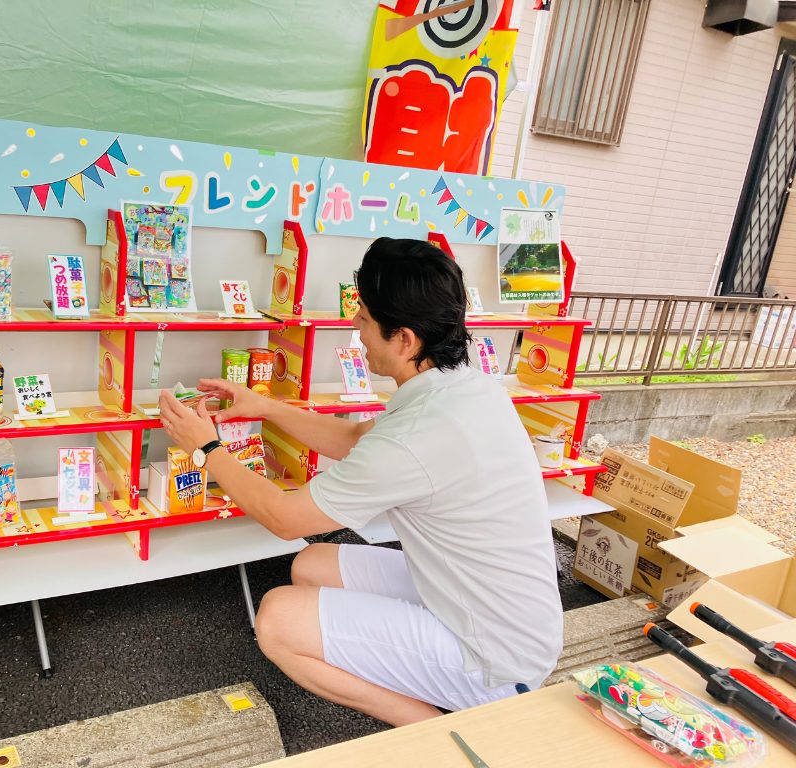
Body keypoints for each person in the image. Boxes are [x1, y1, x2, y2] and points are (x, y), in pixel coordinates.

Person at [158, 237, 563, 727]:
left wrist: (205, 448)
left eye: (365, 318)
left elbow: (284, 519)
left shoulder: (421, 432)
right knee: (312, 563)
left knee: (278, 620)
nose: (355, 326)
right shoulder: (464, 385)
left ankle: (430, 729)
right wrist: (264, 407)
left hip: (492, 660)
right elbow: (354, 438)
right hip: (498, 613)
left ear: (405, 339)